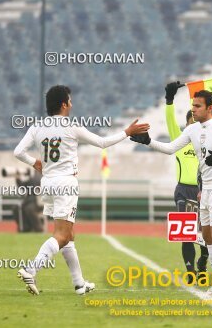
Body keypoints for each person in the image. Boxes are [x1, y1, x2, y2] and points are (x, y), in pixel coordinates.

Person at [14, 85, 149, 295]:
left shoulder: (37, 127)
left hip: (48, 183)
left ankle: (79, 284)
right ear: (63, 104)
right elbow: (102, 142)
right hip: (66, 184)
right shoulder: (72, 126)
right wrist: (127, 132)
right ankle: (31, 269)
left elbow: (18, 152)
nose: (71, 104)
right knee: (62, 234)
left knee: (69, 235)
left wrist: (34, 163)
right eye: (69, 100)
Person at [130, 89, 212, 296]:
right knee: (209, 236)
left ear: (210, 108)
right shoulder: (192, 129)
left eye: (197, 106)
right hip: (207, 189)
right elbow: (170, 148)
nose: (193, 109)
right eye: (192, 105)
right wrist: (148, 141)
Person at [164, 82, 208, 284]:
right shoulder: (180, 139)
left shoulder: (208, 142)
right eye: (190, 123)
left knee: (207, 232)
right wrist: (169, 100)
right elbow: (170, 120)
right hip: (183, 191)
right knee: (186, 233)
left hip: (205, 190)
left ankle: (204, 262)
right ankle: (190, 269)